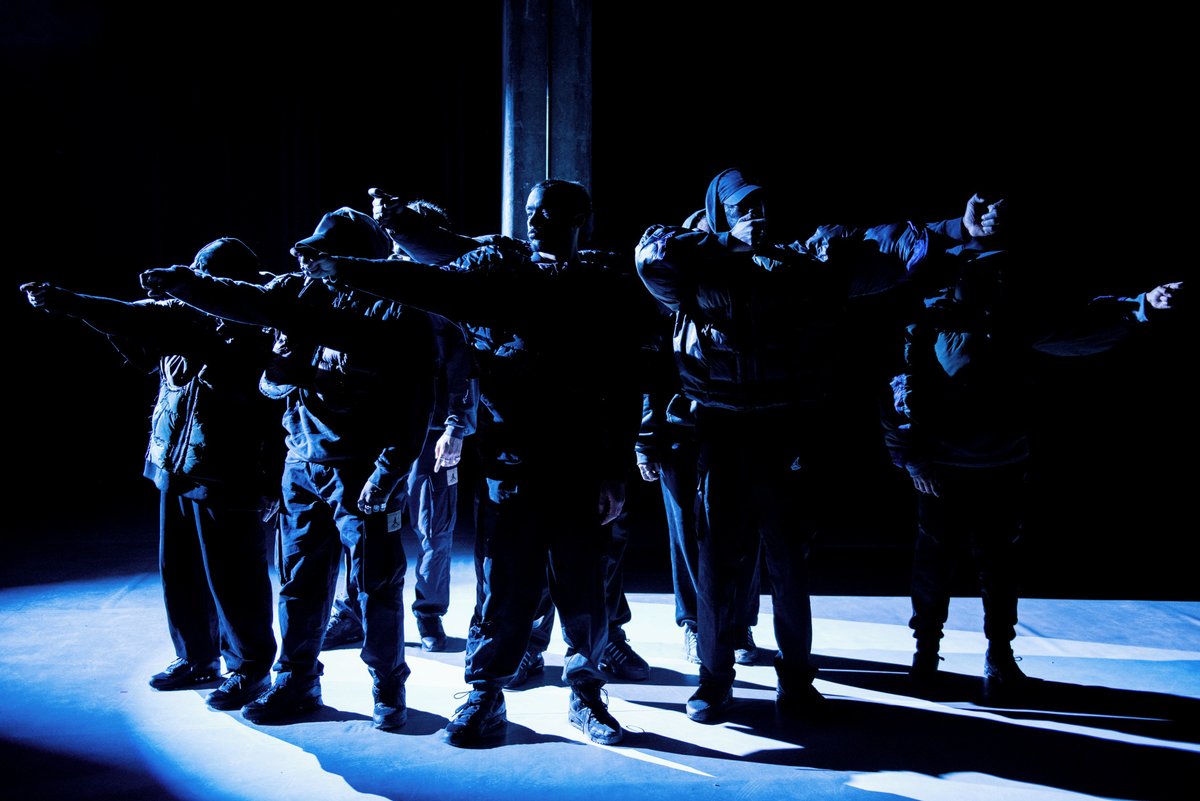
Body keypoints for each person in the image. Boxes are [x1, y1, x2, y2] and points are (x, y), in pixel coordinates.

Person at [635, 168, 988, 724]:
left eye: (761, 205)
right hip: (722, 432)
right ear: (720, 213)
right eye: (742, 207)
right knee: (716, 565)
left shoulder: (802, 262)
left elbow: (885, 245)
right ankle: (714, 680)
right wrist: (724, 242)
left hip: (784, 431)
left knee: (789, 566)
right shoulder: (693, 268)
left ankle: (797, 679)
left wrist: (957, 228)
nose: (756, 215)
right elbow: (649, 257)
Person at [301, 179, 643, 747]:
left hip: (580, 465)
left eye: (550, 213)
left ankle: (586, 695)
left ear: (581, 218)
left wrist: (615, 468)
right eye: (531, 212)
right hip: (511, 464)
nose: (535, 222)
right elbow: (427, 277)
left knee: (583, 586)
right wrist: (348, 265)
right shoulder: (499, 270)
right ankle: (485, 694)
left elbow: (624, 382)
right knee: (501, 582)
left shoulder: (601, 285)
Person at [139, 208, 436, 731]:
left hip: (363, 472)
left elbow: (416, 404)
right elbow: (249, 314)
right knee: (299, 581)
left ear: (355, 259)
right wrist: (189, 288)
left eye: (324, 252)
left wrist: (387, 473)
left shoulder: (398, 314)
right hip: (301, 464)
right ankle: (297, 680)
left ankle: (388, 685)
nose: (310, 261)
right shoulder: (303, 296)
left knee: (376, 585)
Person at [881, 238, 1185, 701]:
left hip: (1003, 466)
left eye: (999, 272)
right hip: (942, 473)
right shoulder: (928, 323)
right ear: (961, 274)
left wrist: (1144, 305)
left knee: (999, 568)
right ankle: (926, 653)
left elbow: (1081, 325)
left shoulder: (1014, 319)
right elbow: (895, 392)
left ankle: (999, 655)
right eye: (984, 272)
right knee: (933, 567)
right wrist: (913, 458)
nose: (994, 279)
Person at [20, 238, 279, 711]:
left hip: (228, 472)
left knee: (234, 578)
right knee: (180, 570)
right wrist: (88, 313)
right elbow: (140, 339)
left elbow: (155, 326)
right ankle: (197, 657)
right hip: (178, 465)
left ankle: (250, 668)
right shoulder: (190, 321)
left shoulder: (249, 327)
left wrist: (75, 304)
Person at [323, 200, 479, 654]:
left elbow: (466, 363)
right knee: (361, 524)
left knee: (435, 528)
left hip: (432, 432)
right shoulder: (374, 281)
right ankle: (352, 611)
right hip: (377, 432)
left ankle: (429, 613)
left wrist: (456, 426)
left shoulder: (449, 288)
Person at [636, 208, 761, 668]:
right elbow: (651, 375)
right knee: (687, 536)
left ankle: (739, 624)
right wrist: (645, 440)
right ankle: (695, 623)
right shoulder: (669, 300)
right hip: (681, 435)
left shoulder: (746, 295)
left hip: (737, 431)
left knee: (745, 532)